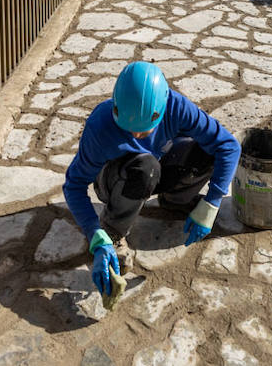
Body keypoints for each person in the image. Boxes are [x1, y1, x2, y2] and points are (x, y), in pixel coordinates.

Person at [63, 61, 241, 296]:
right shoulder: (100, 126)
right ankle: (114, 230)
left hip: (155, 165)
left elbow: (228, 146)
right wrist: (96, 235)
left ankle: (176, 200)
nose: (136, 135)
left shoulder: (176, 107)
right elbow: (74, 186)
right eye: (128, 128)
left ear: (162, 108)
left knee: (205, 150)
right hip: (115, 180)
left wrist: (212, 202)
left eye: (143, 129)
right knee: (145, 167)